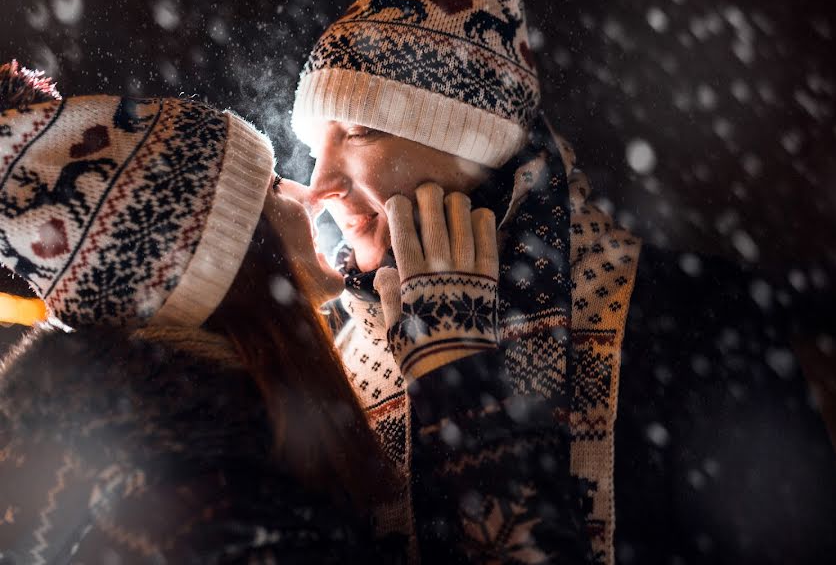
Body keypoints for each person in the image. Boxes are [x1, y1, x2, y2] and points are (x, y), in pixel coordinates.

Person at [290, 0, 836, 562]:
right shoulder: (326, 349)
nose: (319, 182)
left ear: (473, 144)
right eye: (312, 147)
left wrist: (456, 378)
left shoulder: (689, 315)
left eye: (361, 130)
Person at [0, 64, 590, 563]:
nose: (311, 189)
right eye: (272, 183)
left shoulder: (180, 471)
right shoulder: (226, 518)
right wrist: (455, 376)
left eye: (359, 129)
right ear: (232, 253)